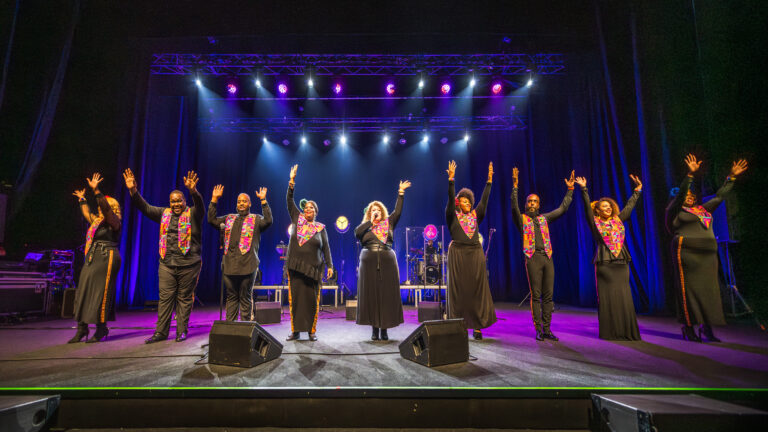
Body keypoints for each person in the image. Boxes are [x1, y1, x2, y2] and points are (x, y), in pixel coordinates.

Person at [666, 154, 748, 342]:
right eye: (684, 195)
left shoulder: (703, 210)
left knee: (709, 290)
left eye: (691, 195)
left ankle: (706, 327)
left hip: (707, 255)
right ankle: (688, 327)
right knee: (689, 290)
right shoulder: (674, 212)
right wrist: (690, 175)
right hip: (686, 253)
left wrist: (732, 177)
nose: (688, 197)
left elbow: (720, 196)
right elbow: (679, 199)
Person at [123, 168, 204, 343]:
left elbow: (200, 205)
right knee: (165, 299)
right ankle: (161, 332)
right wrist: (133, 190)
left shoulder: (193, 214)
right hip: (167, 264)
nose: (176, 204)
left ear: (184, 201)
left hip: (189, 264)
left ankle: (181, 331)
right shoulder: (163, 213)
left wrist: (193, 191)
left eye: (179, 201)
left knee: (184, 299)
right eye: (173, 202)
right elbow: (144, 207)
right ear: (169, 202)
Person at [575, 174, 642, 341]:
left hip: (621, 263)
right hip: (605, 263)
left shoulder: (618, 220)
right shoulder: (595, 222)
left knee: (624, 296)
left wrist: (637, 191)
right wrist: (584, 189)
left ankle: (626, 331)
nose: (608, 208)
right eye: (604, 206)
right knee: (608, 298)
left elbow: (629, 206)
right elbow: (586, 207)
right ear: (597, 210)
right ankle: (611, 332)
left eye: (609, 206)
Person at [511, 167, 574, 341]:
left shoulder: (544, 218)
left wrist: (570, 190)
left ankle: (547, 329)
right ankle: (538, 329)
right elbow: (514, 208)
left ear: (539, 205)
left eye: (535, 202)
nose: (532, 204)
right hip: (532, 258)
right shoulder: (522, 219)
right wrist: (515, 187)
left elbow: (562, 209)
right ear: (526, 204)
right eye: (530, 201)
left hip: (547, 257)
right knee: (536, 295)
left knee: (548, 295)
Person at [445, 160, 496, 339]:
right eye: (463, 201)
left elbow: (484, 201)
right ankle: (459, 325)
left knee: (476, 290)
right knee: (459, 291)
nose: (467, 203)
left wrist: (489, 181)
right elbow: (451, 201)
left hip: (475, 253)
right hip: (457, 253)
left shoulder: (475, 216)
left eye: (469, 201)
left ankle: (476, 326)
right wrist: (451, 180)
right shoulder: (452, 216)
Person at [355, 180, 411, 341]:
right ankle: (374, 329)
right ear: (369, 213)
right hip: (368, 262)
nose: (376, 211)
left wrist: (401, 193)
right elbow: (356, 233)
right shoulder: (365, 227)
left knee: (385, 295)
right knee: (372, 295)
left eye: (378, 209)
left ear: (382, 212)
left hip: (387, 261)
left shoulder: (389, 222)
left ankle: (384, 329)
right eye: (373, 210)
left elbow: (398, 211)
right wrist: (369, 222)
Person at [69, 173, 122, 343]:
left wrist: (97, 190)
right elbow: (86, 212)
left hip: (107, 257)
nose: (99, 208)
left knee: (101, 293)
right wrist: (82, 199)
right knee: (83, 291)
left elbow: (105, 209)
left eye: (103, 206)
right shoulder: (96, 221)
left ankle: (101, 328)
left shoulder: (114, 221)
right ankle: (82, 328)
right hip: (92, 257)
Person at [208, 185, 272, 321]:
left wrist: (263, 201)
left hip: (248, 266)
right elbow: (212, 220)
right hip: (229, 265)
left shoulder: (256, 219)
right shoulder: (229, 218)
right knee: (231, 298)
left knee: (245, 298)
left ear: (249, 203)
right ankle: (230, 329)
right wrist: (214, 200)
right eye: (239, 201)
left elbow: (268, 221)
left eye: (244, 201)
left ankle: (244, 330)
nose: (241, 203)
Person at [285, 164, 333, 341]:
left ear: (316, 212)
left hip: (314, 269)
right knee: (295, 300)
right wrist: (291, 182)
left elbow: (326, 247)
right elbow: (290, 202)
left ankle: (311, 331)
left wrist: (330, 265)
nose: (308, 210)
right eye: (306, 208)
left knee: (312, 300)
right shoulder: (297, 220)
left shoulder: (321, 228)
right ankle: (296, 331)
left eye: (311, 208)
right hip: (296, 266)